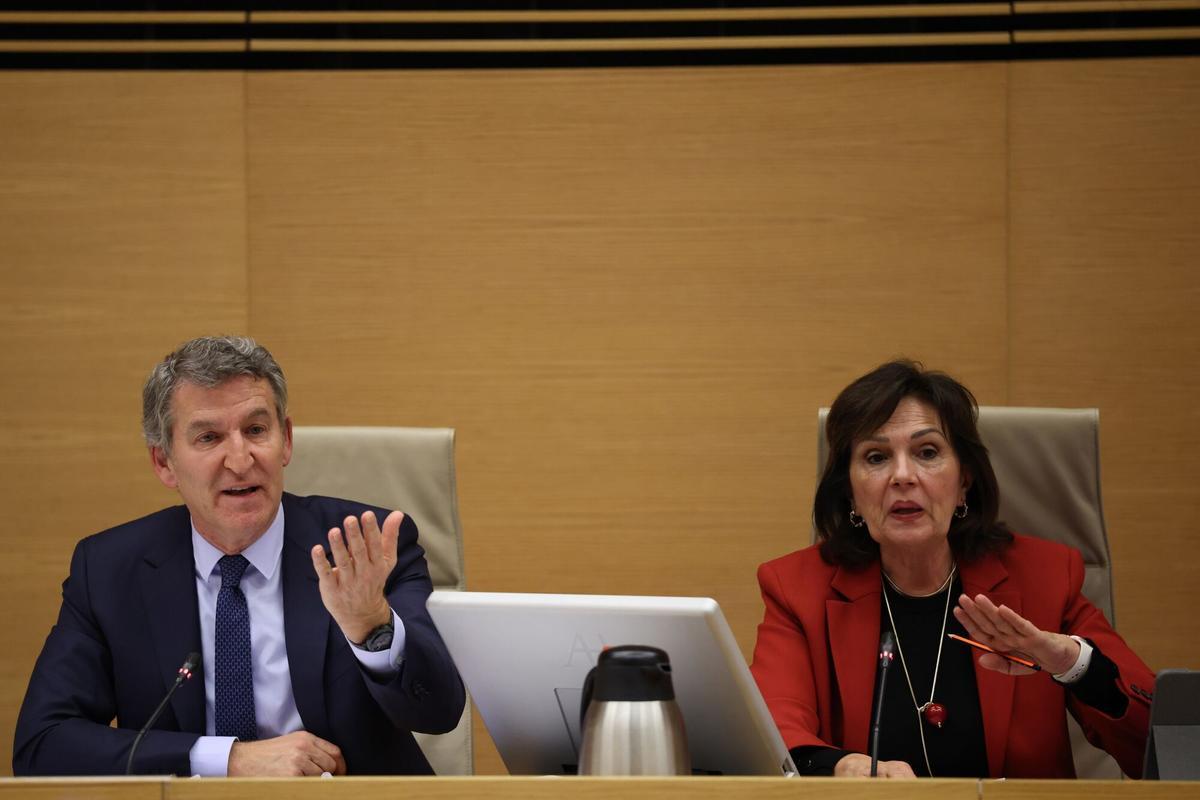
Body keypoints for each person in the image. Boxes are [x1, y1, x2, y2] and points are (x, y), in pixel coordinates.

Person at [13, 336, 465, 776]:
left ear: (285, 440)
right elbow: (43, 745)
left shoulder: (365, 550)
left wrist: (372, 628)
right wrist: (227, 760)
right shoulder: (111, 571)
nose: (240, 458)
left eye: (255, 430)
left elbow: (439, 711)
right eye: (209, 437)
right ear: (164, 462)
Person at [751, 360, 1155, 779]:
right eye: (876, 457)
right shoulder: (796, 590)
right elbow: (772, 738)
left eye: (927, 452)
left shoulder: (1046, 578)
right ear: (850, 494)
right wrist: (842, 766)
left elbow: (1160, 741)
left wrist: (1073, 664)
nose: (903, 476)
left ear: (965, 480)